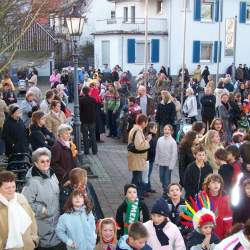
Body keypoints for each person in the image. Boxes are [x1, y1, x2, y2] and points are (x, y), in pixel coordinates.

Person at [22, 148, 64, 250]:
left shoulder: (52, 174)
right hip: (42, 224)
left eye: (47, 160)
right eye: (42, 161)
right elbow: (25, 203)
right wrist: (41, 210)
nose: (46, 163)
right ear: (36, 163)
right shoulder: (32, 181)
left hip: (56, 222)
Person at [0, 171, 38, 250]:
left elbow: (32, 219)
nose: (11, 190)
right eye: (7, 188)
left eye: (13, 186)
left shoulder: (21, 198)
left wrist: (34, 239)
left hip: (28, 246)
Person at [203, 174, 233, 240]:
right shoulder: (202, 197)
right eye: (213, 182)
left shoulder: (225, 198)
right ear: (208, 185)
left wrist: (227, 234)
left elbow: (228, 218)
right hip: (204, 234)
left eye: (218, 182)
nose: (216, 184)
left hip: (220, 234)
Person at [127, 114, 151, 197]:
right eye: (146, 122)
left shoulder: (135, 129)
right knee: (137, 179)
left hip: (135, 157)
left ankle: (134, 194)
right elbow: (139, 146)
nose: (147, 124)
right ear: (143, 122)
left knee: (136, 177)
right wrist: (147, 140)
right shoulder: (137, 131)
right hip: (137, 158)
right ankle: (135, 195)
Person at [154, 125, 178, 194]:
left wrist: (171, 165)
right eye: (165, 129)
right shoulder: (160, 139)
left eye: (168, 130)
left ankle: (166, 192)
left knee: (167, 180)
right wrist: (156, 161)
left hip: (168, 164)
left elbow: (174, 155)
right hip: (161, 163)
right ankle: (166, 189)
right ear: (163, 130)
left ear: (171, 132)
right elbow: (157, 151)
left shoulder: (173, 142)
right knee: (161, 177)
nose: (166, 131)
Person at [80, 86, 98, 155]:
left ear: (83, 92)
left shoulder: (81, 100)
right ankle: (94, 150)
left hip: (84, 120)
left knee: (85, 136)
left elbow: (80, 110)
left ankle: (86, 151)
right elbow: (96, 108)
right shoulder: (93, 99)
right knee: (92, 135)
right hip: (92, 119)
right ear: (89, 91)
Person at [146, 122, 157, 193]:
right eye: (155, 128)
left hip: (151, 158)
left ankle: (148, 187)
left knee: (148, 174)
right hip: (148, 159)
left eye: (156, 128)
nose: (156, 129)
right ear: (150, 129)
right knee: (147, 174)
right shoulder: (150, 137)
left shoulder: (153, 136)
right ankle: (145, 189)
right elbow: (149, 149)